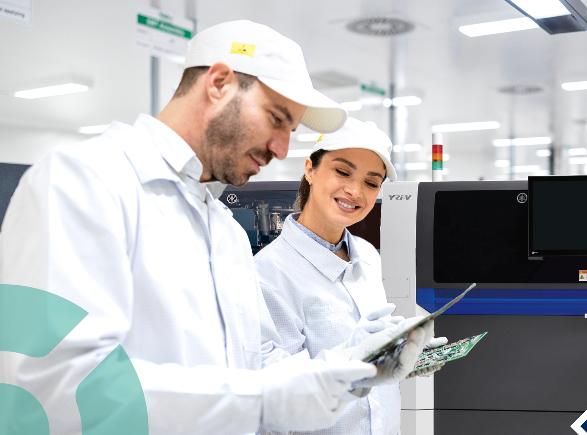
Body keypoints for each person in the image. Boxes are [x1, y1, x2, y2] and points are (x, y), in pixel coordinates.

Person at [0, 20, 433, 435]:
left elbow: (249, 371)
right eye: (277, 118)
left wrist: (349, 365)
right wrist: (263, 399)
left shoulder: (222, 231)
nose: (281, 149)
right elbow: (51, 387)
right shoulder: (83, 182)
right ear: (219, 83)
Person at [254, 118, 447, 435]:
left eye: (372, 183)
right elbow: (278, 389)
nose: (355, 191)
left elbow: (372, 368)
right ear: (310, 169)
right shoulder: (269, 272)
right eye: (342, 172)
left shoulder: (368, 257)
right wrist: (351, 363)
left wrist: (396, 361)